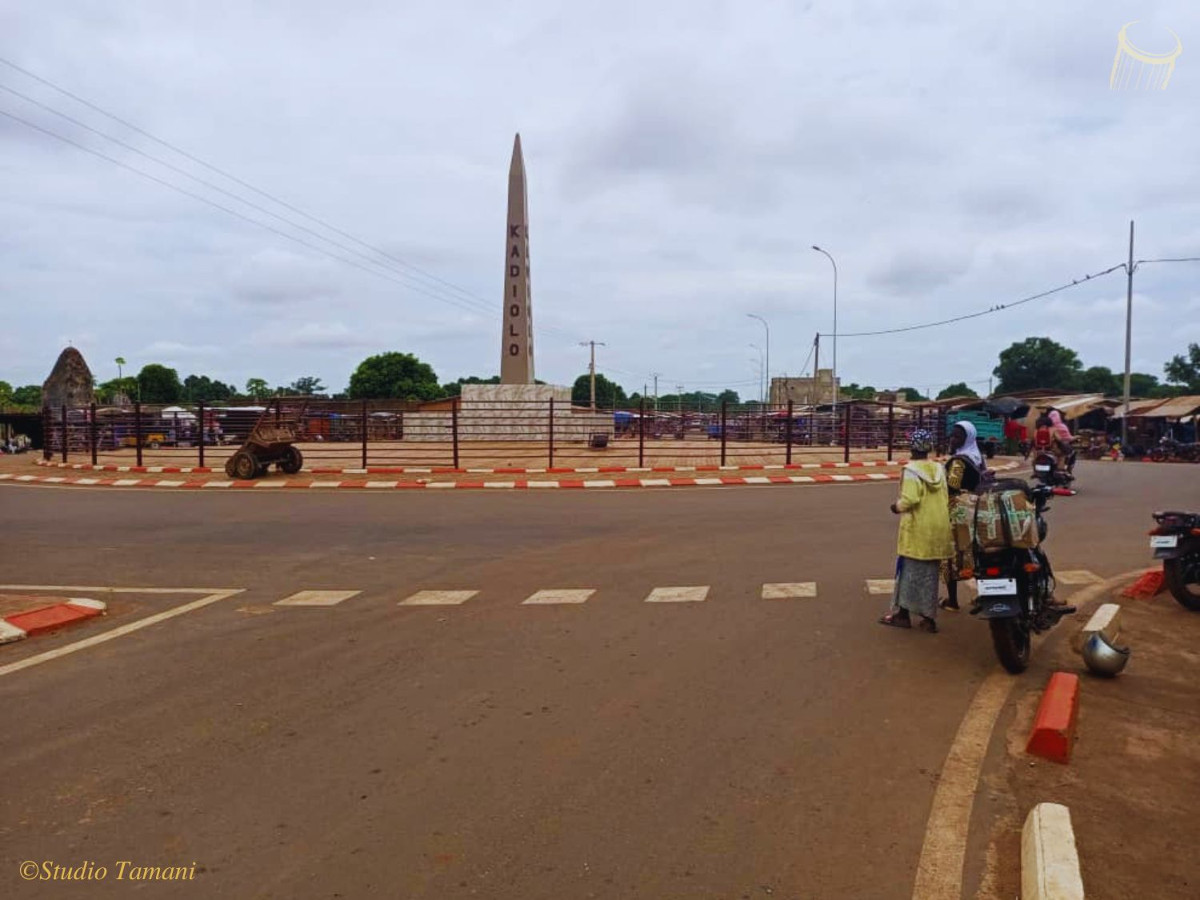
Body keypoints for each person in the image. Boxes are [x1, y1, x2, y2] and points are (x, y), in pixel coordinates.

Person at [879, 429, 954, 633]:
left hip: (919, 528)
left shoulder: (912, 470)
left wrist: (897, 507)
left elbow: (910, 500)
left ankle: (902, 614)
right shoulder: (939, 469)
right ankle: (929, 619)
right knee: (930, 575)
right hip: (938, 526)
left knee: (907, 573)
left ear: (911, 447)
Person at [940, 422, 986, 612]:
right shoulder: (977, 457)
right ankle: (985, 595)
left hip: (958, 510)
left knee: (952, 554)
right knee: (978, 552)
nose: (953, 439)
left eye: (958, 436)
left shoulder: (959, 461)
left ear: (967, 438)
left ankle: (952, 601)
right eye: (952, 435)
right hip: (977, 508)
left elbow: (952, 486)